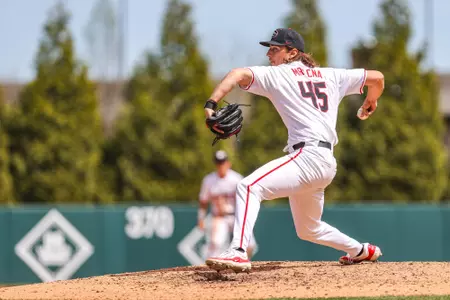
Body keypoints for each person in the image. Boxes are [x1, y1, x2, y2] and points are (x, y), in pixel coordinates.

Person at [203, 28, 384, 272]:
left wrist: (211, 104)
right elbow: (377, 77)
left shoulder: (278, 75)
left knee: (248, 186)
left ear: (293, 53)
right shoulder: (331, 75)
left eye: (275, 49)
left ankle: (237, 251)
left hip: (307, 157)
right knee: (309, 229)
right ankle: (361, 251)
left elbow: (236, 74)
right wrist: (371, 101)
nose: (269, 54)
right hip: (326, 163)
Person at [198, 150, 256, 260]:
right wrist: (201, 218)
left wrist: (247, 216)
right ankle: (212, 272)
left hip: (236, 216)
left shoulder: (237, 179)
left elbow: (248, 198)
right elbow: (203, 201)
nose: (221, 165)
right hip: (219, 217)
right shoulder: (209, 180)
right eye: (218, 163)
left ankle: (243, 265)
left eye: (223, 162)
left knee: (250, 245)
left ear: (228, 163)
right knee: (216, 243)